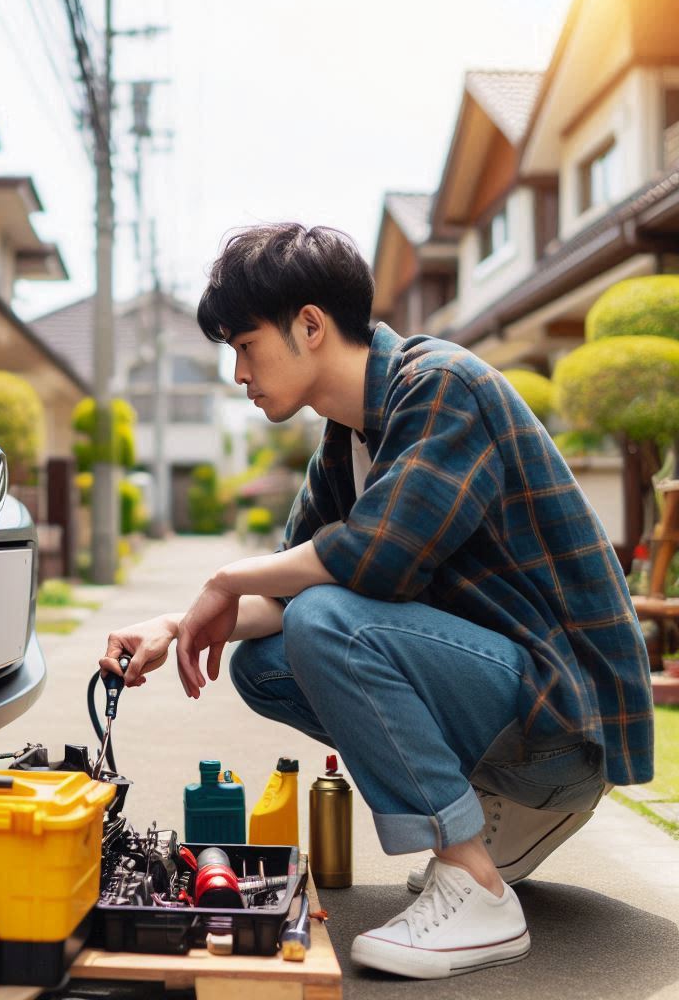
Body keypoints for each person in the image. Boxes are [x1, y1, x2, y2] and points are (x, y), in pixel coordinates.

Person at [99, 222, 653, 980]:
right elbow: (294, 585)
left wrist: (226, 579)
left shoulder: (443, 386)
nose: (238, 374)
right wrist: (175, 623)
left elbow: (374, 560)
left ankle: (476, 885)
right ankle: (490, 817)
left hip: (559, 720)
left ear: (311, 325)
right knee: (265, 659)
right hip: (504, 709)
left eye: (246, 345)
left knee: (330, 621)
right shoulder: (345, 441)